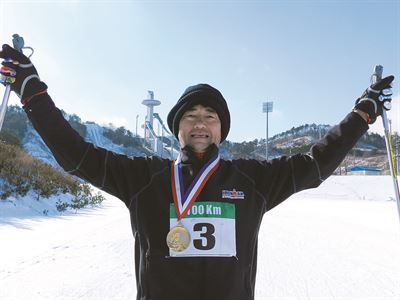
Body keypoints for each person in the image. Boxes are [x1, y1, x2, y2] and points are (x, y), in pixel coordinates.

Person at [0, 44, 394, 300]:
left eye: (210, 117)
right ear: (177, 129)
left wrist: (361, 115)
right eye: (190, 116)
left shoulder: (251, 180)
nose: (200, 124)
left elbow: (315, 163)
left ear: (221, 129)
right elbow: (76, 155)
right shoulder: (143, 177)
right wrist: (33, 93)